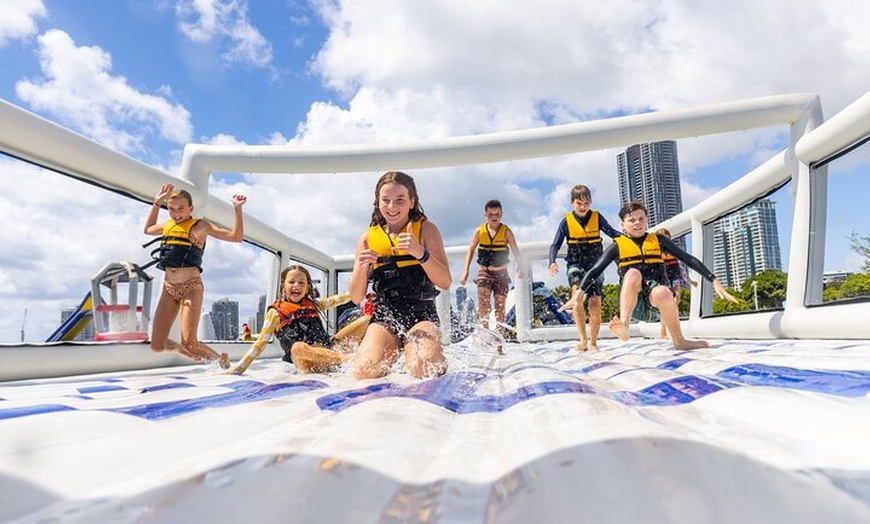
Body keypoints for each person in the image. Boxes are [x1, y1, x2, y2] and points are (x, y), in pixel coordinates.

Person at [570, 201, 737, 350]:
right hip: (632, 303)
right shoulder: (617, 246)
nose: (637, 223)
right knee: (633, 273)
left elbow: (688, 259)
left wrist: (713, 279)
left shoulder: (659, 240)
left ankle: (679, 341)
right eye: (632, 220)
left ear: (647, 220)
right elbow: (595, 271)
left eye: (641, 219)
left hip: (654, 304)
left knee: (664, 291)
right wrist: (578, 294)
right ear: (622, 225)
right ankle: (625, 326)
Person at [349, 171, 451, 379]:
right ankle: (394, 347)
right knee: (364, 371)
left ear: (412, 202)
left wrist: (420, 253)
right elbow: (356, 297)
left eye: (399, 200)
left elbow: (445, 282)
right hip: (385, 316)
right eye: (385, 200)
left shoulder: (426, 230)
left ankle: (422, 350)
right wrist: (361, 267)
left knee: (424, 368)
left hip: (421, 313)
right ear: (378, 203)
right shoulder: (367, 239)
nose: (392, 207)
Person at [143, 183, 247, 368]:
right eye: (171, 209)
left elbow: (235, 237)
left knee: (190, 341)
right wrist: (156, 203)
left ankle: (221, 359)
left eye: (181, 208)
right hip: (169, 288)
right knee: (157, 346)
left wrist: (237, 210)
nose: (176, 213)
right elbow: (148, 229)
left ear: (191, 208)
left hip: (191, 286)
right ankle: (183, 350)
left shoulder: (200, 226)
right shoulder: (168, 225)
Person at [227, 265, 370, 375]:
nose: (296, 285)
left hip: (328, 350)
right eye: (292, 282)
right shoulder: (275, 313)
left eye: (302, 282)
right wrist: (237, 369)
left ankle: (368, 352)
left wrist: (363, 289)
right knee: (297, 347)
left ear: (308, 287)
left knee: (366, 320)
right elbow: (259, 344)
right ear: (284, 285)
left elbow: (341, 298)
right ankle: (351, 360)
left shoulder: (314, 304)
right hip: (309, 362)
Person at [548, 184, 621, 351]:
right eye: (579, 203)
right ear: (572, 203)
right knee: (577, 296)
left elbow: (612, 232)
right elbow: (555, 245)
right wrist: (552, 261)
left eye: (586, 203)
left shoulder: (597, 217)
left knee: (595, 302)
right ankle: (583, 339)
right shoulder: (566, 222)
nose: (583, 207)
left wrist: (630, 239)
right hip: (575, 264)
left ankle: (594, 341)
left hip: (595, 264)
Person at [459, 199, 523, 354]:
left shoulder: (507, 232)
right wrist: (465, 270)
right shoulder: (479, 231)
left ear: (501, 215)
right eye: (491, 215)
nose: (494, 217)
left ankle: (499, 343)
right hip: (484, 272)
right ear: (485, 215)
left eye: (497, 214)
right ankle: (485, 335)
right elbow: (471, 250)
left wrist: (520, 266)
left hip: (501, 274)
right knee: (483, 305)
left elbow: (515, 250)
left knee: (500, 307)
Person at [656, 227, 698, 339]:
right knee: (665, 305)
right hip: (663, 280)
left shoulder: (673, 253)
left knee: (676, 299)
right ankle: (663, 329)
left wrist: (689, 281)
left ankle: (673, 326)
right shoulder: (657, 254)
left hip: (674, 278)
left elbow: (681, 269)